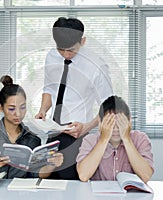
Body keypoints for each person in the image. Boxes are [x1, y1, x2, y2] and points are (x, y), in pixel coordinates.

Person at [35, 17, 113, 179]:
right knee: (48, 183)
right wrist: (43, 110)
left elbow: (108, 106)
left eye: (70, 50)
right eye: (60, 49)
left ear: (82, 41)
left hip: (79, 135)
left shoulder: (97, 66)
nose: (65, 55)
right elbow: (50, 87)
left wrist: (86, 127)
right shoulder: (51, 56)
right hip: (53, 131)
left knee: (73, 185)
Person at [0, 75, 63, 179]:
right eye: (11, 109)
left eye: (22, 107)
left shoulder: (32, 139)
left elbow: (36, 175)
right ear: (1, 107)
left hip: (20, 193)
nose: (18, 114)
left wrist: (52, 165)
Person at [76, 95, 154, 183]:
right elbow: (83, 175)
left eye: (120, 123)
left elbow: (146, 176)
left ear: (129, 121)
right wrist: (104, 139)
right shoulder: (90, 140)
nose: (116, 129)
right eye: (110, 123)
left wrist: (126, 139)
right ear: (100, 122)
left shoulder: (140, 139)